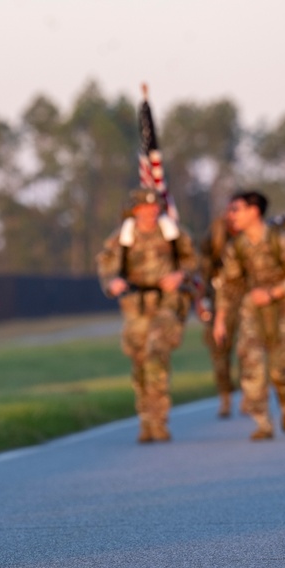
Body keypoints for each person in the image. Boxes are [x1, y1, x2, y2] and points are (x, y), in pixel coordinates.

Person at [96, 188, 198, 443]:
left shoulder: (174, 233)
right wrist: (112, 283)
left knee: (156, 355)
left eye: (154, 207)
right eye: (145, 207)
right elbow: (106, 266)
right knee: (140, 361)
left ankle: (159, 420)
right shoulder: (122, 237)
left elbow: (193, 260)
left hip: (167, 303)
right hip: (136, 305)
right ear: (135, 210)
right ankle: (145, 420)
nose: (151, 212)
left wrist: (180, 275)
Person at [213, 191, 285, 441]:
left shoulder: (281, 241)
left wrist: (274, 293)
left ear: (254, 211)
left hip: (281, 310)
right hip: (251, 311)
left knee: (279, 370)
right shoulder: (236, 247)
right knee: (251, 366)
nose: (231, 215)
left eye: (236, 209)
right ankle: (263, 423)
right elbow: (228, 285)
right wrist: (220, 319)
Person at [198, 204, 241, 418]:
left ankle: (250, 395)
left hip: (244, 300)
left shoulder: (249, 235)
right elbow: (203, 270)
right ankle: (225, 397)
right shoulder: (213, 235)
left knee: (247, 350)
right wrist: (201, 300)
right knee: (219, 353)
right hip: (217, 299)